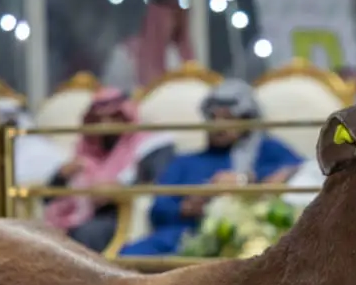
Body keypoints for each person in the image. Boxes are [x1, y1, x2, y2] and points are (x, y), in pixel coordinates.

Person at [119, 79, 301, 256]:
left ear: (248, 121)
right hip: (181, 238)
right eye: (213, 117)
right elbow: (157, 210)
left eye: (228, 118)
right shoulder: (185, 162)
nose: (218, 125)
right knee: (128, 257)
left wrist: (243, 182)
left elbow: (304, 169)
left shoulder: (265, 150)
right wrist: (187, 207)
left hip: (242, 242)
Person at [43, 86, 175, 252]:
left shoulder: (150, 145)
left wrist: (118, 192)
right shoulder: (86, 151)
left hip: (125, 217)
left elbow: (161, 183)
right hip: (82, 218)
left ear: (127, 117)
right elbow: (47, 197)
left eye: (114, 117)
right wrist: (61, 176)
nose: (106, 125)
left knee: (88, 233)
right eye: (98, 119)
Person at [101, 0, 193, 92]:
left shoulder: (177, 55)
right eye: (168, 17)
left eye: (175, 18)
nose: (172, 24)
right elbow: (111, 92)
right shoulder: (126, 53)